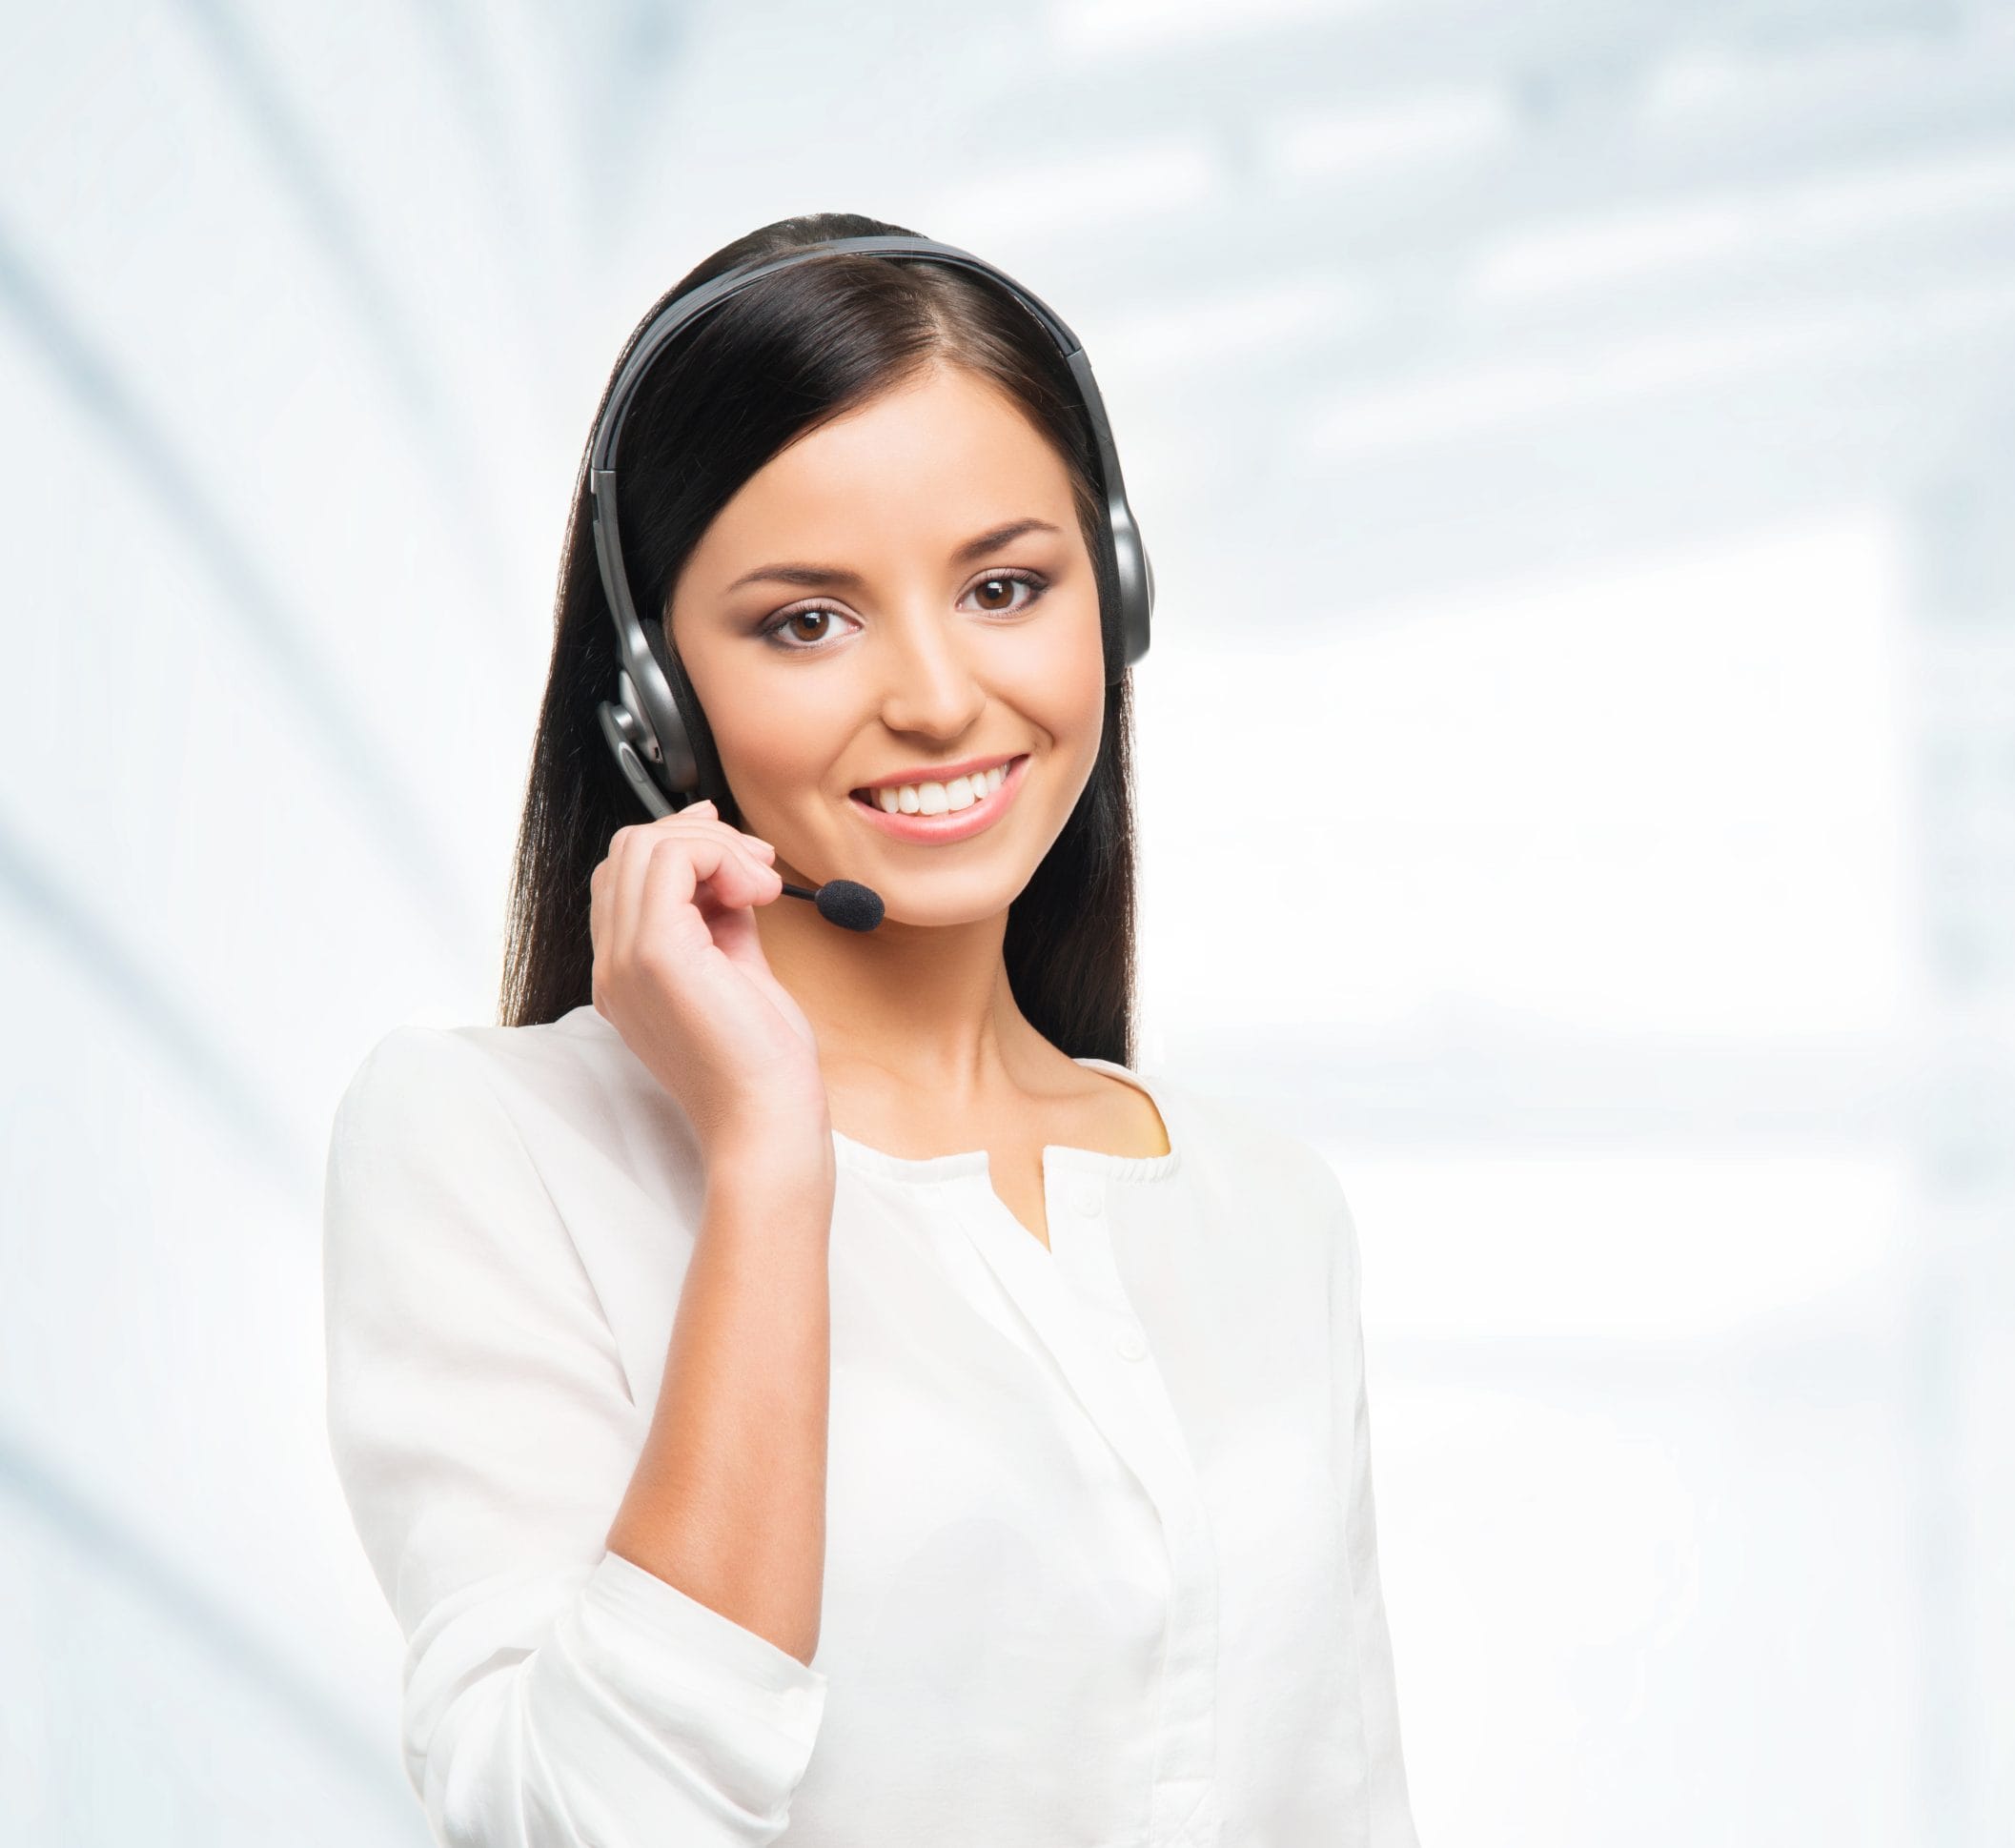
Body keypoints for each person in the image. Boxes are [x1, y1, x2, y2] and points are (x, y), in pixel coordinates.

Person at [320, 212, 1422, 1847]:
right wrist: (768, 1161)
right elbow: (593, 1821)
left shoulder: (1263, 1204)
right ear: (654, 697)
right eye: (807, 620)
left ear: (1110, 598)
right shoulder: (490, 1143)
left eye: (1003, 585)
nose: (933, 697)